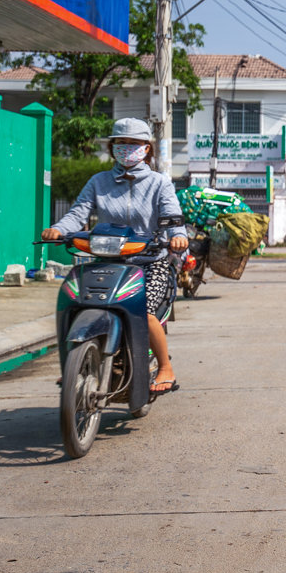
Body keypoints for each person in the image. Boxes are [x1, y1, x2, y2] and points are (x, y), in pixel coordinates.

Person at [41, 118, 188, 396]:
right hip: (107, 260)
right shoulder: (98, 182)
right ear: (112, 147)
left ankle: (166, 366)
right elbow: (78, 214)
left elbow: (172, 217)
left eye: (133, 144)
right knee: (77, 304)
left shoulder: (160, 184)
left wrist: (177, 236)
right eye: (121, 143)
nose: (126, 148)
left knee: (143, 313)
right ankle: (76, 364)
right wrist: (59, 230)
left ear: (146, 149)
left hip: (149, 261)